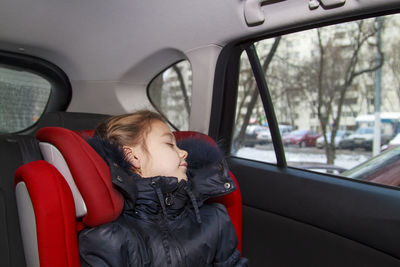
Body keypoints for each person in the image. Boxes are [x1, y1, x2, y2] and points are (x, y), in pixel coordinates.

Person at [78, 110, 248, 267]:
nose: (184, 153)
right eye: (169, 144)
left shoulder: (214, 219)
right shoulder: (109, 239)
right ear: (133, 157)